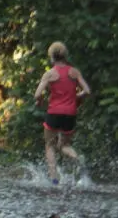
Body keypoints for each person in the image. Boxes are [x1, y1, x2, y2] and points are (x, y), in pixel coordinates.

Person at [33, 42, 92, 185]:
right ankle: (78, 160)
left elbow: (37, 94)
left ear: (52, 57)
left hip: (54, 113)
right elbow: (87, 91)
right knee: (64, 146)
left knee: (50, 146)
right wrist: (77, 98)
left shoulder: (50, 74)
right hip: (70, 114)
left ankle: (54, 180)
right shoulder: (74, 72)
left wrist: (40, 101)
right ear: (65, 56)